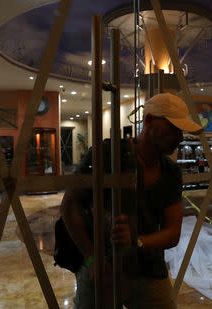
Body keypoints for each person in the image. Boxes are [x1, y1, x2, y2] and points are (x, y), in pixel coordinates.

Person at [61, 93, 202, 309]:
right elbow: (70, 207)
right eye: (174, 128)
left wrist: (137, 241)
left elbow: (173, 232)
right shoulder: (107, 155)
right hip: (103, 268)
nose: (180, 137)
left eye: (181, 130)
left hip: (150, 270)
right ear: (149, 120)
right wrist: (92, 257)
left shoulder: (170, 171)